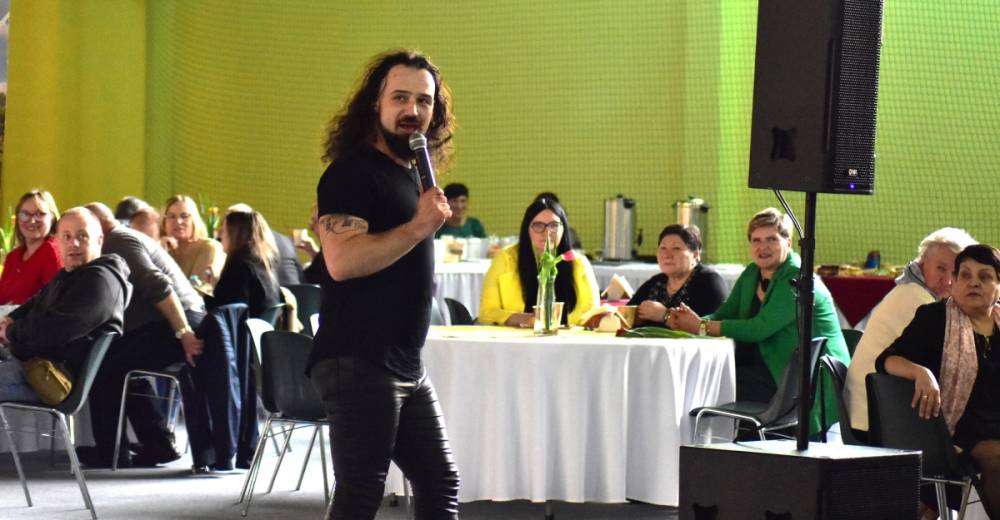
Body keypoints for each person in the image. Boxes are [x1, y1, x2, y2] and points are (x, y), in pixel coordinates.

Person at [309, 49, 460, 519]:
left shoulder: (410, 174)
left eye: (424, 101)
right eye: (400, 98)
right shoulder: (350, 172)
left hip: (403, 362)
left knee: (440, 483)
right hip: (359, 358)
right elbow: (341, 262)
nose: (412, 110)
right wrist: (418, 227)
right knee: (360, 495)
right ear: (376, 103)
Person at [668, 207, 849, 434]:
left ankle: (705, 446)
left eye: (771, 239)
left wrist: (700, 326)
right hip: (769, 370)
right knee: (707, 379)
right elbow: (725, 313)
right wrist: (689, 321)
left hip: (804, 380)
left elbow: (759, 329)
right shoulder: (752, 272)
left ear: (788, 243)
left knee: (710, 383)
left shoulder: (797, 277)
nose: (762, 247)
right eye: (756, 240)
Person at [77, 203, 205, 468]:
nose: (78, 240)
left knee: (103, 365)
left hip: (180, 321)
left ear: (98, 227)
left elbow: (157, 285)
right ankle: (156, 444)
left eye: (82, 232)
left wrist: (184, 333)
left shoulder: (118, 241)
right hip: (167, 323)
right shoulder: (117, 239)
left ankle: (112, 452)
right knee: (114, 359)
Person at [877, 244, 1000, 518]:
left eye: (984, 276)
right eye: (965, 275)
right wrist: (921, 373)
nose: (973, 283)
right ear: (953, 281)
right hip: (954, 431)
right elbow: (886, 361)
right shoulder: (935, 318)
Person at [845, 227, 976, 437]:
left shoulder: (911, 290)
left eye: (955, 272)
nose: (948, 280)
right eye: (941, 268)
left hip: (870, 411)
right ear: (923, 264)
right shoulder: (918, 300)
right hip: (874, 420)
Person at [0, 209, 131, 403]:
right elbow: (35, 302)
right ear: (57, 242)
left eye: (82, 236)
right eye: (66, 237)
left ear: (99, 240)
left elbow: (56, 329)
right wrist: (9, 320)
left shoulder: (101, 281)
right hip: (29, 361)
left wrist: (11, 331)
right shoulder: (70, 274)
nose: (73, 243)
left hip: (46, 376)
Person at [479, 197, 599, 328]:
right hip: (516, 339)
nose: (547, 232)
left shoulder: (579, 263)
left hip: (570, 339)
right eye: (538, 225)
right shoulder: (505, 259)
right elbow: (487, 313)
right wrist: (528, 320)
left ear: (564, 228)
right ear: (527, 229)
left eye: (554, 225)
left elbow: (592, 313)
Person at [628, 224, 727, 327]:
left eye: (676, 248)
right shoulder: (657, 282)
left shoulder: (709, 281)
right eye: (663, 248)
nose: (667, 255)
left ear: (695, 255)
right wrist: (634, 319)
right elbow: (627, 314)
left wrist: (665, 316)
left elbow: (710, 328)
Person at [204, 208, 280, 318]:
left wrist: (208, 289)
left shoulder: (238, 266)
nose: (220, 236)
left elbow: (221, 311)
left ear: (235, 234)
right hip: (263, 325)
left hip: (244, 327)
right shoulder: (264, 262)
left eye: (223, 231)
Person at [0, 190, 63, 305]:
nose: (32, 221)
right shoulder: (12, 257)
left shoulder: (52, 252)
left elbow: (53, 301)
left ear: (52, 218)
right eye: (24, 215)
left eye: (40, 214)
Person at [160, 194, 226, 287]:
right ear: (163, 222)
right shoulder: (159, 248)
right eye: (172, 216)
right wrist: (160, 252)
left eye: (184, 216)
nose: (178, 221)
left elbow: (198, 289)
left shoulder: (209, 247)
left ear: (194, 220)